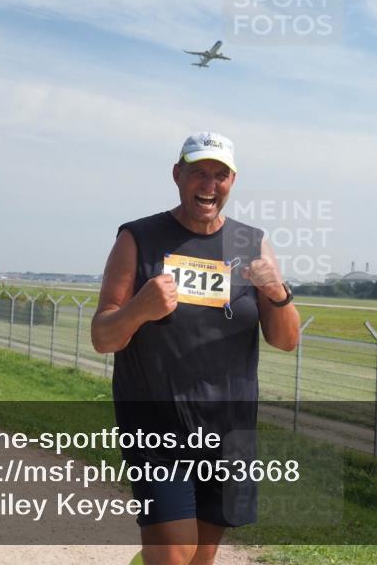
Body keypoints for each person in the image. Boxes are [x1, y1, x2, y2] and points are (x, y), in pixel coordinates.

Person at [92, 132, 300, 565]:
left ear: (232, 182)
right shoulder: (138, 238)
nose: (209, 184)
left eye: (219, 175)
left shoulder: (251, 243)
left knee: (200, 559)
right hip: (157, 426)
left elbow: (286, 340)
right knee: (174, 555)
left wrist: (277, 292)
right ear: (177, 175)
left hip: (228, 427)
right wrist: (139, 309)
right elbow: (103, 336)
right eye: (198, 173)